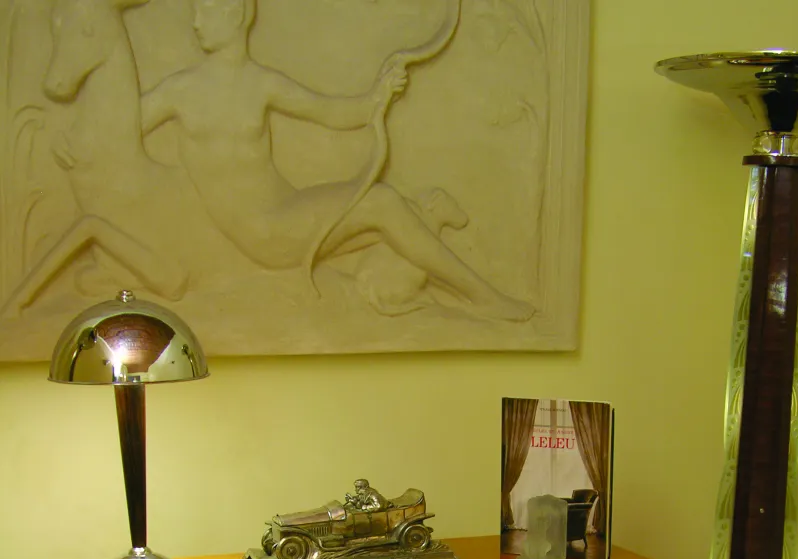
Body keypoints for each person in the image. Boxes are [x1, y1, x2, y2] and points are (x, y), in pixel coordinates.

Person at [141, 0, 533, 321]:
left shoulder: (262, 84)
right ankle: (482, 297)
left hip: (288, 217)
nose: (194, 22)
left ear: (236, 14)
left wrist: (381, 94)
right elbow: (119, 126)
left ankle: (423, 293)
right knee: (382, 203)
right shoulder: (181, 90)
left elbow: (335, 114)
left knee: (395, 215)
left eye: (204, 9)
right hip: (268, 232)